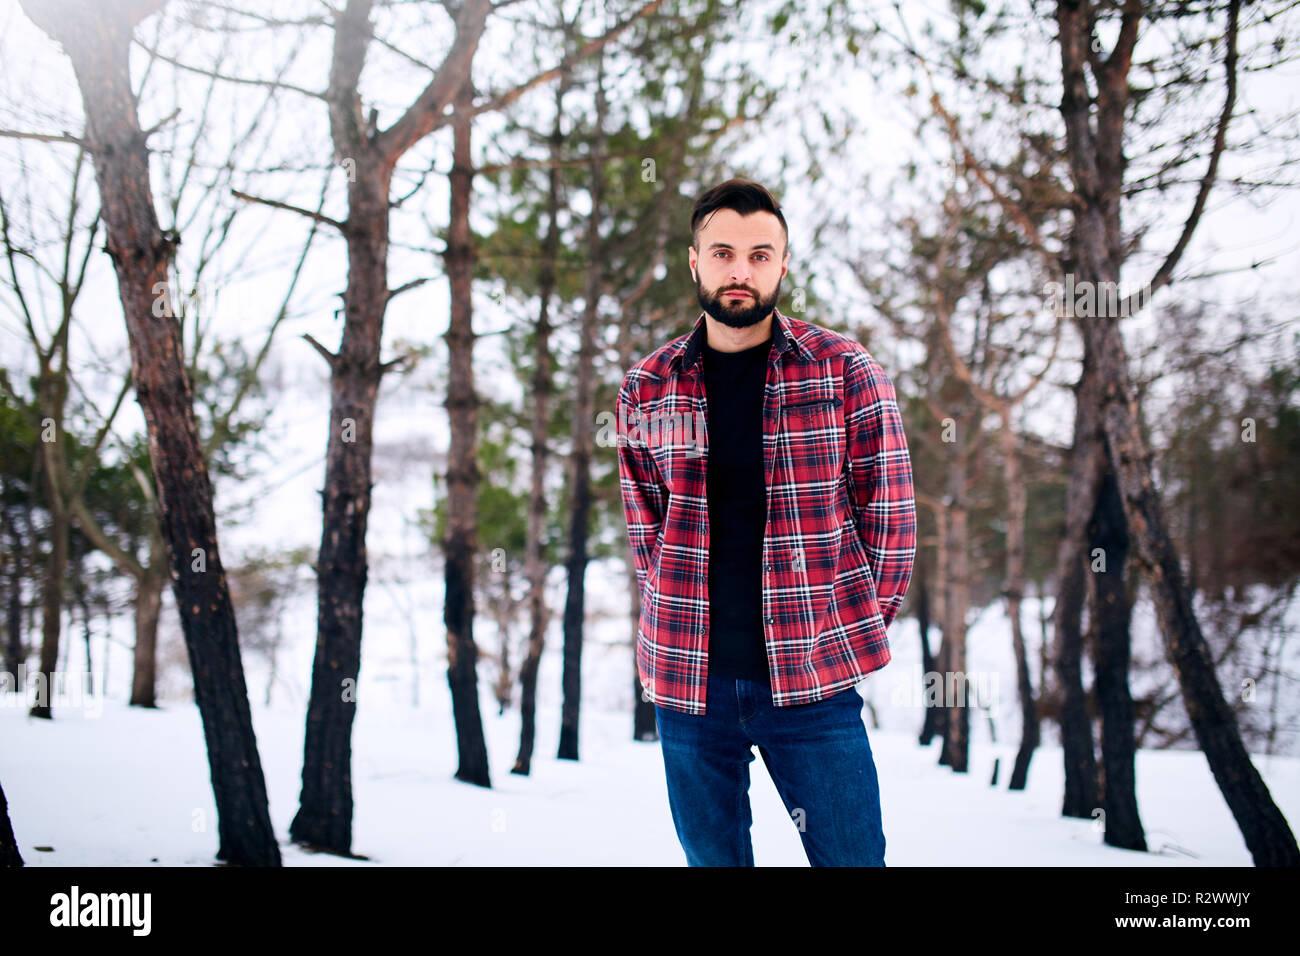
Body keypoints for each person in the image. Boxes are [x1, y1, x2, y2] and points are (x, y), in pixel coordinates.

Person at [616, 177, 916, 866]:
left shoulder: (846, 372)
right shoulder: (649, 385)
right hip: (690, 688)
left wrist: (843, 631)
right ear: (695, 262)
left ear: (783, 264)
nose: (740, 270)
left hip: (814, 685)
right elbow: (646, 535)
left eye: (759, 254)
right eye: (722, 253)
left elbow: (891, 523)